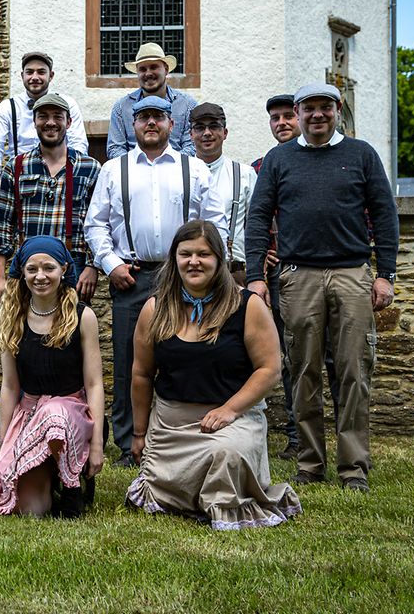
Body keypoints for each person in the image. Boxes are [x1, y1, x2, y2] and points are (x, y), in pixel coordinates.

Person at [245, 84, 399, 493]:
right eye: (309, 108)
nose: (317, 115)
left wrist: (385, 274)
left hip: (352, 273)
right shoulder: (279, 159)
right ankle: (310, 463)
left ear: (337, 109)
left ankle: (354, 468)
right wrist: (256, 276)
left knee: (354, 372)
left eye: (325, 107)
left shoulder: (361, 154)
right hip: (298, 277)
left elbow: (385, 215)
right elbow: (258, 217)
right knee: (302, 371)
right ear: (297, 112)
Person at [125, 220, 301, 529]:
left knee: (226, 453)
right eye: (186, 254)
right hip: (171, 426)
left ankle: (224, 499)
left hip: (232, 420)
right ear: (174, 259)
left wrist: (229, 410)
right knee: (158, 484)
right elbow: (141, 374)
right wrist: (139, 434)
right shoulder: (155, 309)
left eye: (203, 254)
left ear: (220, 259)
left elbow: (270, 369)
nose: (194, 261)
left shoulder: (248, 306)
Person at [84, 95, 227, 465]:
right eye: (144, 117)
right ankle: (128, 442)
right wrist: (111, 264)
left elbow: (215, 224)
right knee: (128, 361)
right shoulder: (113, 169)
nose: (151, 123)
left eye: (158, 117)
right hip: (130, 278)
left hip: (184, 279)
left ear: (171, 124)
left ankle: (182, 435)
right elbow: (95, 224)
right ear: (133, 125)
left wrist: (203, 268)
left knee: (187, 356)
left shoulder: (194, 169)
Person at [0, 236, 104, 518]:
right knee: (30, 510)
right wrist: (4, 443)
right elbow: (10, 386)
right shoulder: (13, 317)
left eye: (49, 268)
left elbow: (94, 384)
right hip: (30, 415)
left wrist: (97, 444)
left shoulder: (83, 316)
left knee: (54, 412)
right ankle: (52, 479)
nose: (40, 276)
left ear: (63, 270)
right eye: (32, 269)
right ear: (22, 273)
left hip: (71, 413)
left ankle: (73, 487)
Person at [254, 93, 339, 460]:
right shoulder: (261, 166)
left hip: (324, 269)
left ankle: (338, 437)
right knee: (292, 356)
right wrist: (262, 256)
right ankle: (296, 436)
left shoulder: (334, 158)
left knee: (334, 358)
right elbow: (255, 217)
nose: (282, 123)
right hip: (278, 273)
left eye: (288, 116)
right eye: (275, 118)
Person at [0, 52, 90, 307]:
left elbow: (79, 142)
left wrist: (70, 170)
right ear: (22, 76)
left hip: (61, 170)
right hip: (20, 176)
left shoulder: (69, 104)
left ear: (51, 75)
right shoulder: (8, 107)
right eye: (30, 72)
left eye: (41, 72)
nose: (35, 77)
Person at [0, 92, 100, 304]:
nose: (50, 122)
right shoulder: (16, 166)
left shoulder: (90, 168)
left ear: (69, 122)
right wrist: (0, 277)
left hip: (74, 264)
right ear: (34, 122)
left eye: (58, 116)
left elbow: (99, 223)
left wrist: (92, 266)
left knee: (73, 324)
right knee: (25, 324)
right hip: (28, 266)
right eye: (43, 116)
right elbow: (3, 226)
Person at [188, 102, 256, 283]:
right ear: (191, 134)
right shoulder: (179, 173)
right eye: (200, 127)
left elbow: (256, 226)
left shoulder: (244, 174)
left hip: (233, 272)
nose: (207, 133)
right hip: (189, 272)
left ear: (225, 133)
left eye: (214, 126)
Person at [106, 43, 197, 159]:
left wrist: (168, 164)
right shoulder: (121, 107)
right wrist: (138, 165)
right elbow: (115, 148)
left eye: (154, 67)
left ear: (166, 69)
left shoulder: (187, 105)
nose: (148, 73)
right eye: (142, 69)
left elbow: (192, 146)